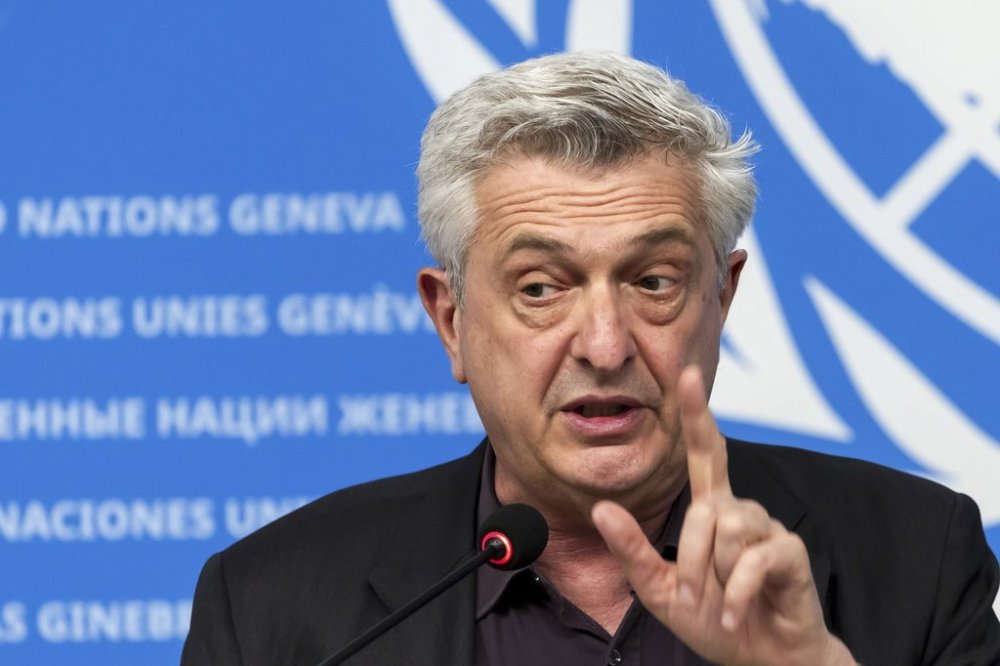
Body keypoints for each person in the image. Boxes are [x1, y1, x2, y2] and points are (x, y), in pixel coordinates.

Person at [182, 52, 1000, 665]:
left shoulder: (919, 559)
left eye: (653, 281)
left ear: (723, 298)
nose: (605, 345)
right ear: (451, 319)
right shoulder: (272, 606)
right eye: (541, 288)